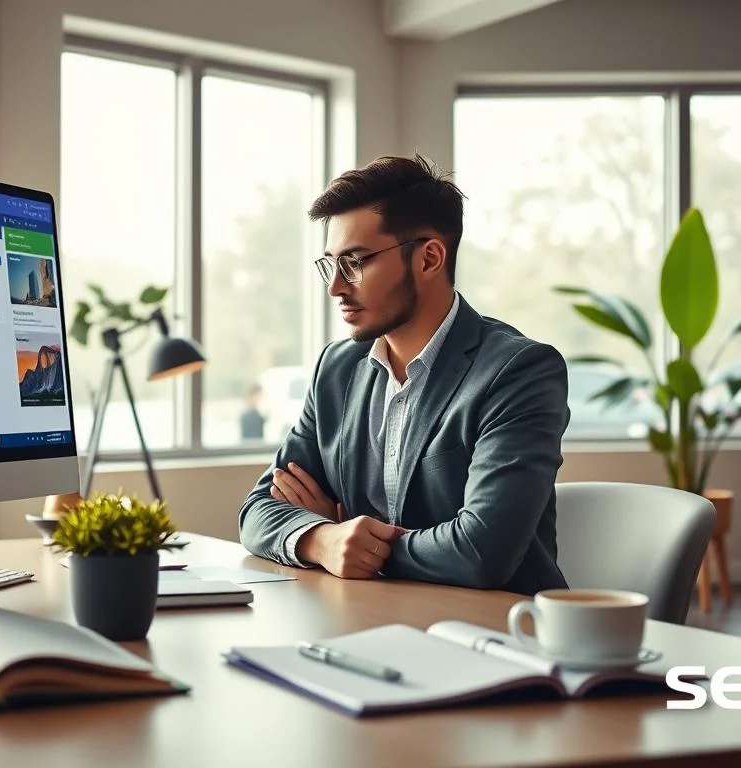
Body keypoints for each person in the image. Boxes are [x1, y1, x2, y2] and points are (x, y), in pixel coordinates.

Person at [236, 154, 571, 593]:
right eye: (329, 264)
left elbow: (482, 551)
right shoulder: (335, 370)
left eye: (355, 261)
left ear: (430, 258)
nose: (335, 285)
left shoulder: (518, 371)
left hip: (496, 635)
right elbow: (258, 510)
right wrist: (325, 539)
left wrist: (361, 547)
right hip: (371, 622)